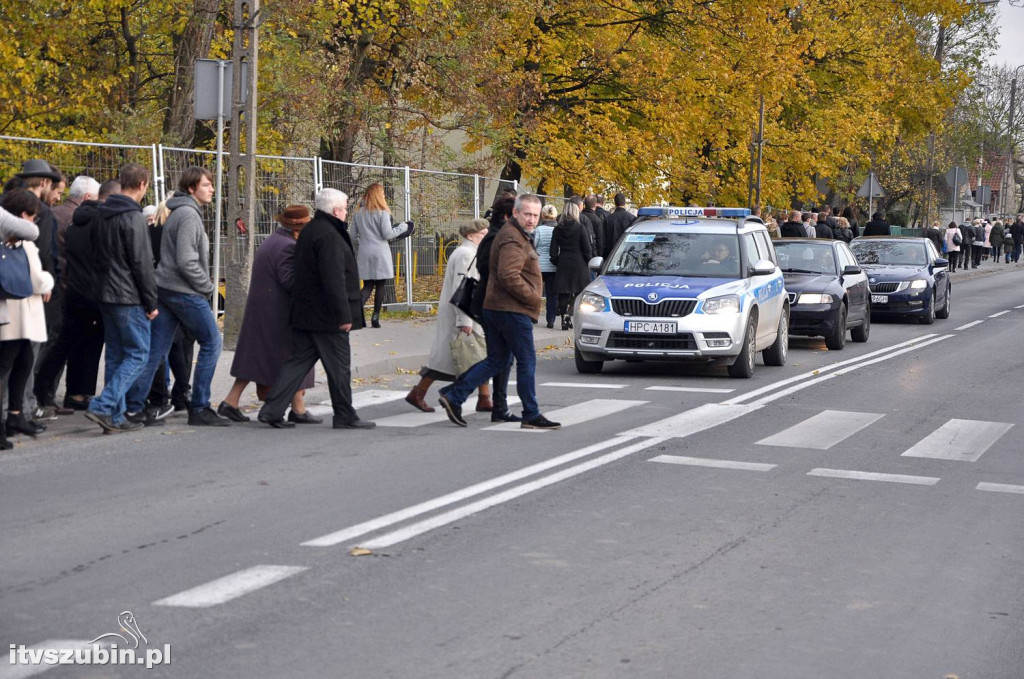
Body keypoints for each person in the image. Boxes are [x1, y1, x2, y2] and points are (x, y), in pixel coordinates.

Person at [438, 194, 561, 430]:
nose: (531, 219)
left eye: (535, 215)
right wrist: (533, 296)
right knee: (526, 361)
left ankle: (455, 395)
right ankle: (531, 414)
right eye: (527, 214)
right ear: (515, 213)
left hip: (497, 306)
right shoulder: (513, 239)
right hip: (510, 309)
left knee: (498, 360)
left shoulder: (515, 234)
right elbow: (509, 275)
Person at [258, 188, 374, 430]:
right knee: (339, 367)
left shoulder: (312, 230)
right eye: (344, 208)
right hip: (327, 315)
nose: (345, 212)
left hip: (307, 311)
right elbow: (333, 278)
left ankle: (271, 410)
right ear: (335, 210)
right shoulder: (329, 235)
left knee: (298, 362)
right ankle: (344, 415)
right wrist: (343, 314)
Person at [123, 167, 228, 427]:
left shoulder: (177, 211)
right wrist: (206, 287)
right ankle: (200, 407)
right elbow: (186, 261)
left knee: (156, 349)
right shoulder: (188, 215)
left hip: (165, 289)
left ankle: (134, 407)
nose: (212, 189)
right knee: (212, 342)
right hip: (183, 291)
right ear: (192, 188)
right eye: (206, 185)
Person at [218, 205, 321, 424]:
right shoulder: (288, 247)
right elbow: (290, 281)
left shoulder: (273, 240)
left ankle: (231, 402)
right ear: (298, 228)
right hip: (279, 314)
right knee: (295, 358)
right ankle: (297, 409)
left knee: (255, 359)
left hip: (264, 311)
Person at [85, 163, 159, 433]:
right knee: (138, 354)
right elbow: (142, 263)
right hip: (129, 296)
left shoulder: (101, 214)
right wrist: (151, 303)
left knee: (116, 356)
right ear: (142, 185)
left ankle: (114, 417)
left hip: (105, 293)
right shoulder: (133, 217)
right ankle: (103, 406)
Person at [32, 179, 116, 414]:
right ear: (90, 197)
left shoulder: (67, 218)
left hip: (69, 288)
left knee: (63, 344)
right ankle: (71, 393)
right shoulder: (96, 221)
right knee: (83, 346)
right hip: (83, 290)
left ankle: (45, 392)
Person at [404, 218, 492, 412]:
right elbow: (462, 289)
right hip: (460, 314)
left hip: (462, 313)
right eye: (482, 234)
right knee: (470, 356)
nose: (486, 238)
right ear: (471, 235)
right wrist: (464, 320)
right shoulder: (466, 254)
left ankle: (485, 397)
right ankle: (419, 393)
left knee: (473, 356)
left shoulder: (468, 252)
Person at [0, 190, 54, 442]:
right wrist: (50, 281)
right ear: (23, 216)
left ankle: (14, 416)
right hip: (17, 315)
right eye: (32, 217)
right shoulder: (24, 243)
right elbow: (38, 281)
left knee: (22, 361)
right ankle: (12, 416)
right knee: (12, 366)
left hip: (12, 314)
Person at [469, 194, 518, 423]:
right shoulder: (495, 237)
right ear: (508, 215)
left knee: (502, 358)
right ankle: (455, 393)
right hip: (493, 303)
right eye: (520, 214)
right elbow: (487, 269)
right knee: (500, 358)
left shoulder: (502, 235)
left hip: (498, 302)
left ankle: (499, 406)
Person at [352, 183, 413, 329]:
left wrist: (361, 246)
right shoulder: (383, 212)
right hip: (380, 252)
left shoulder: (358, 213)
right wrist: (403, 226)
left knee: (367, 285)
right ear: (378, 195)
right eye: (383, 194)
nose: (384, 196)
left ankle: (354, 315)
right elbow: (387, 234)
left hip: (364, 252)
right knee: (380, 284)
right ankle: (375, 317)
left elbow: (352, 236)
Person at [550, 202, 592, 330]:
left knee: (564, 293)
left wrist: (557, 261)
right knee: (580, 291)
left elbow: (553, 251)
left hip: (563, 262)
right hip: (579, 262)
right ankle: (569, 314)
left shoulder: (557, 229)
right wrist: (587, 261)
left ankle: (563, 318)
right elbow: (587, 248)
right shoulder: (580, 228)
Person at [534, 204, 559, 329]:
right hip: (553, 266)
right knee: (551, 294)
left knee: (536, 292)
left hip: (539, 266)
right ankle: (551, 319)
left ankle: (534, 316)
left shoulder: (538, 230)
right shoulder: (558, 230)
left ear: (542, 215)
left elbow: (533, 245)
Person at [580, 195, 604, 260]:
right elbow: (600, 240)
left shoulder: (579, 217)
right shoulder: (597, 220)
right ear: (595, 204)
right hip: (593, 254)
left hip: (580, 252)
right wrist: (599, 256)